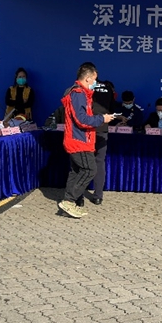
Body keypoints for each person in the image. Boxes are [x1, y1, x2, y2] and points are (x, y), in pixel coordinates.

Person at [59, 63, 117, 219]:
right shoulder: (78, 93)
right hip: (79, 140)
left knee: (76, 171)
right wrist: (101, 119)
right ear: (88, 78)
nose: (96, 83)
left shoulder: (78, 93)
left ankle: (69, 202)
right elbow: (81, 120)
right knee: (90, 169)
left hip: (79, 138)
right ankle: (69, 201)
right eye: (94, 80)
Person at [82, 70, 117, 207]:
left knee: (83, 161)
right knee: (99, 162)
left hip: (85, 129)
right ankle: (98, 196)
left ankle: (79, 196)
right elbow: (112, 108)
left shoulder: (82, 88)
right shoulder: (108, 88)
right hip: (102, 128)